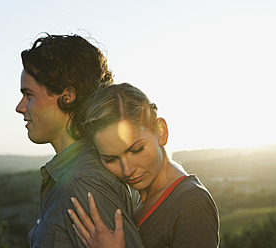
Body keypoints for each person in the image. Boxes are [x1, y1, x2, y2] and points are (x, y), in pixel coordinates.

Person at [15, 34, 144, 248]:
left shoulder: (85, 182)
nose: (20, 107)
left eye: (29, 95)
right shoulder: (73, 175)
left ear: (68, 95)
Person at [67, 83, 220, 248]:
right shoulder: (139, 200)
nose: (127, 170)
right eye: (110, 159)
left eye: (136, 150)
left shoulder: (191, 202)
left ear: (161, 131)